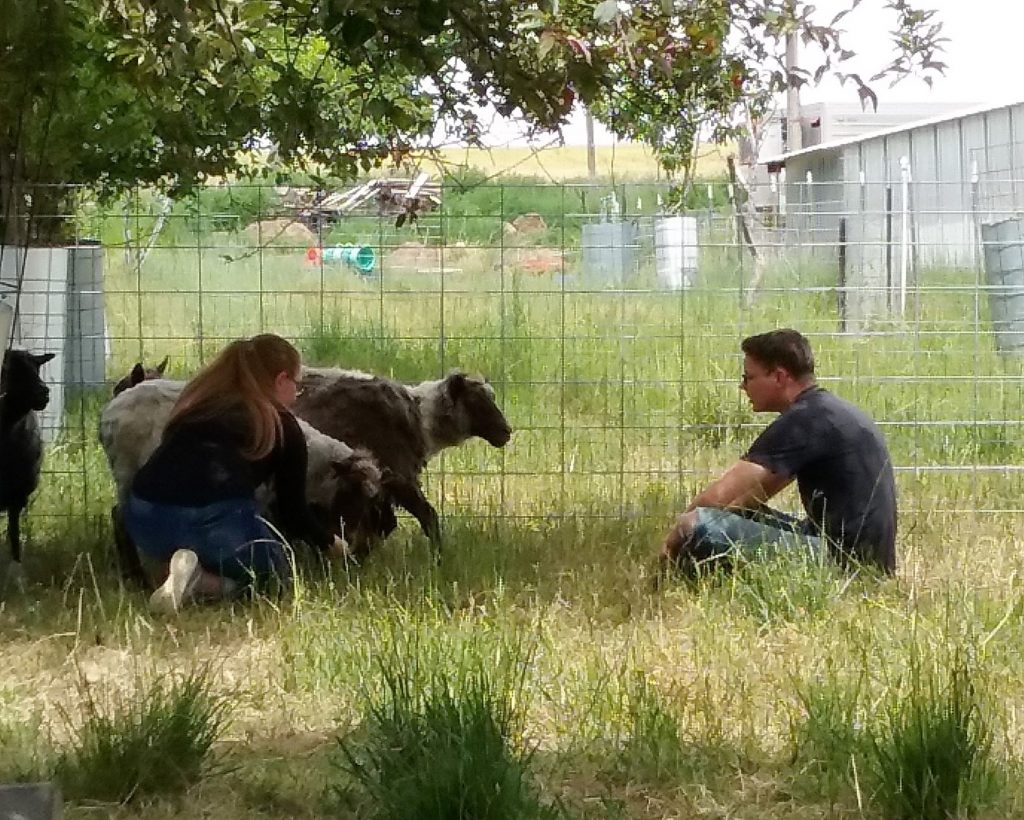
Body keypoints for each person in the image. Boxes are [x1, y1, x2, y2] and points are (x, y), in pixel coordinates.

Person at [123, 333, 347, 613]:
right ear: (281, 380)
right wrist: (332, 544)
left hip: (144, 515)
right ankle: (201, 581)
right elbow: (293, 514)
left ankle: (168, 568)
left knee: (194, 533)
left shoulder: (197, 406)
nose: (297, 393)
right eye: (297, 384)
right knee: (276, 579)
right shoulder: (281, 425)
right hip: (214, 521)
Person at [660, 328, 897, 578]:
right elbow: (749, 496)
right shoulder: (826, 411)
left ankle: (668, 581)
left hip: (842, 562)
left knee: (694, 525)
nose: (742, 386)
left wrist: (671, 542)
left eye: (748, 377)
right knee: (732, 513)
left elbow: (719, 496)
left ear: (779, 377)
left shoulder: (803, 420)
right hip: (866, 559)